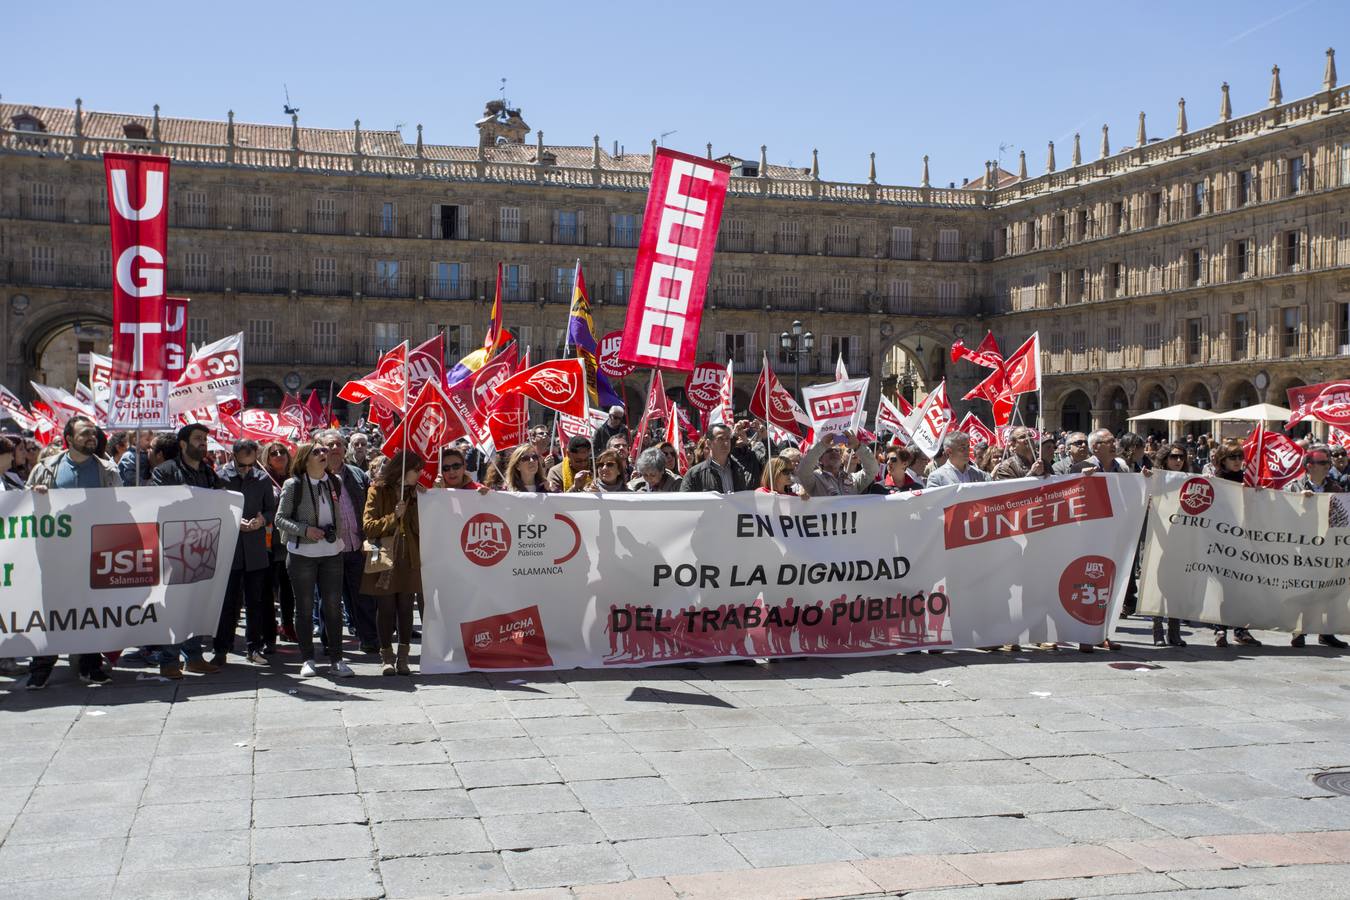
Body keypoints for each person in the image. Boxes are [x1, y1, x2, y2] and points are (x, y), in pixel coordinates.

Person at [23, 415, 121, 688]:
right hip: (55, 555)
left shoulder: (107, 470)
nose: (92, 438)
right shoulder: (46, 469)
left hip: (93, 553)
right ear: (69, 438)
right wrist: (35, 494)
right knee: (51, 610)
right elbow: (24, 505)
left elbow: (120, 506)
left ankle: (91, 665)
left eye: (93, 433)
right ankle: (41, 668)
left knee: (92, 610)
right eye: (84, 433)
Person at [150, 423, 225, 676]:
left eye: (205, 438)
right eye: (197, 438)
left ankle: (193, 657)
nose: (203, 442)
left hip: (202, 548)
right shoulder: (165, 471)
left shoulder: (209, 473)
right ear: (183, 444)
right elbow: (158, 503)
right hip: (172, 549)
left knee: (196, 603)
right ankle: (169, 661)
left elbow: (221, 500)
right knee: (174, 606)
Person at [273, 441, 353, 678]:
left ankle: (337, 660)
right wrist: (305, 530)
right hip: (302, 555)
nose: (323, 454)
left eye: (324, 450)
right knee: (305, 608)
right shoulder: (293, 485)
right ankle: (307, 659)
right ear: (305, 459)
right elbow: (280, 519)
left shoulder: (334, 481)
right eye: (316, 451)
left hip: (332, 553)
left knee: (333, 607)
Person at [314, 429, 378, 655]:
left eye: (338, 444)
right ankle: (331, 644)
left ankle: (369, 639)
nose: (334, 448)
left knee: (364, 597)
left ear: (344, 448)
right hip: (329, 549)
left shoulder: (357, 474)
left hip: (357, 546)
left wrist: (368, 538)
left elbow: (371, 506)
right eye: (329, 445)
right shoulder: (314, 476)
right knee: (329, 600)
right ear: (320, 449)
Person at [214, 440, 277, 666]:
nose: (247, 468)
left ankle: (254, 647)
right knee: (227, 602)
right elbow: (215, 508)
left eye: (252, 462)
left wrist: (262, 520)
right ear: (234, 455)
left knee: (255, 602)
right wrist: (234, 520)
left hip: (255, 549)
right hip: (229, 549)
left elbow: (271, 510)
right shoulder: (220, 477)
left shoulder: (262, 479)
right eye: (243, 463)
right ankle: (221, 648)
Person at [363, 449, 425, 675]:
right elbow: (369, 527)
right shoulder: (377, 490)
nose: (420, 474)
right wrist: (394, 516)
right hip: (384, 553)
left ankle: (403, 658)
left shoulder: (418, 493)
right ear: (403, 469)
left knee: (407, 607)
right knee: (386, 607)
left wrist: (421, 502)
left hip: (410, 555)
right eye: (416, 469)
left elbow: (423, 526)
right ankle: (386, 657)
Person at [1286, 445, 1348, 649]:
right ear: (1309, 466)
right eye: (1322, 462)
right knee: (1304, 590)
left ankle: (1326, 632)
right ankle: (1299, 631)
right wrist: (1299, 501)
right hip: (1303, 548)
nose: (1327, 465)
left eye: (1327, 462)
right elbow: (1281, 510)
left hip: (1328, 547)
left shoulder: (1336, 488)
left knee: (1329, 591)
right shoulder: (1294, 487)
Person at [1210, 439, 1260, 648]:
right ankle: (1219, 628)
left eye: (1240, 456)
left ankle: (1241, 629)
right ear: (1223, 460)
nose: (1238, 461)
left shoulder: (1248, 479)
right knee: (1222, 586)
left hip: (1244, 539)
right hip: (1221, 540)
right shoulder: (1215, 481)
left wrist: (1258, 493)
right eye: (1233, 457)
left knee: (1243, 585)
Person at [1149, 442, 1190, 647]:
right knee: (1156, 585)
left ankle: (1174, 632)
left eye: (1182, 457)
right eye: (1174, 456)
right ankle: (1157, 630)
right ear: (1165, 459)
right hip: (1157, 537)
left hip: (1181, 538)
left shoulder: (1190, 480)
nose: (1178, 460)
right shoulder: (1156, 479)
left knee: (1177, 586)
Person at [262, 441, 297, 647]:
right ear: (267, 458)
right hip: (268, 540)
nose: (278, 455)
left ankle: (288, 625)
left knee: (287, 586)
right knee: (268, 587)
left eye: (282, 451)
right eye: (273, 453)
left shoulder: (295, 477)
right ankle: (269, 627)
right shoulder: (262, 478)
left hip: (289, 539)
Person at [680, 423, 755, 493]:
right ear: (709, 443)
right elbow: (685, 501)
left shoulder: (738, 470)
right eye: (720, 439)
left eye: (727, 438)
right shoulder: (694, 474)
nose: (726, 443)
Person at [799, 431, 879, 496]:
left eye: (837, 451)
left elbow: (872, 470)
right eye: (828, 451)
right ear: (820, 460)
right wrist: (822, 446)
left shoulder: (853, 479)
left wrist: (858, 447)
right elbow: (803, 471)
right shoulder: (815, 480)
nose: (833, 452)